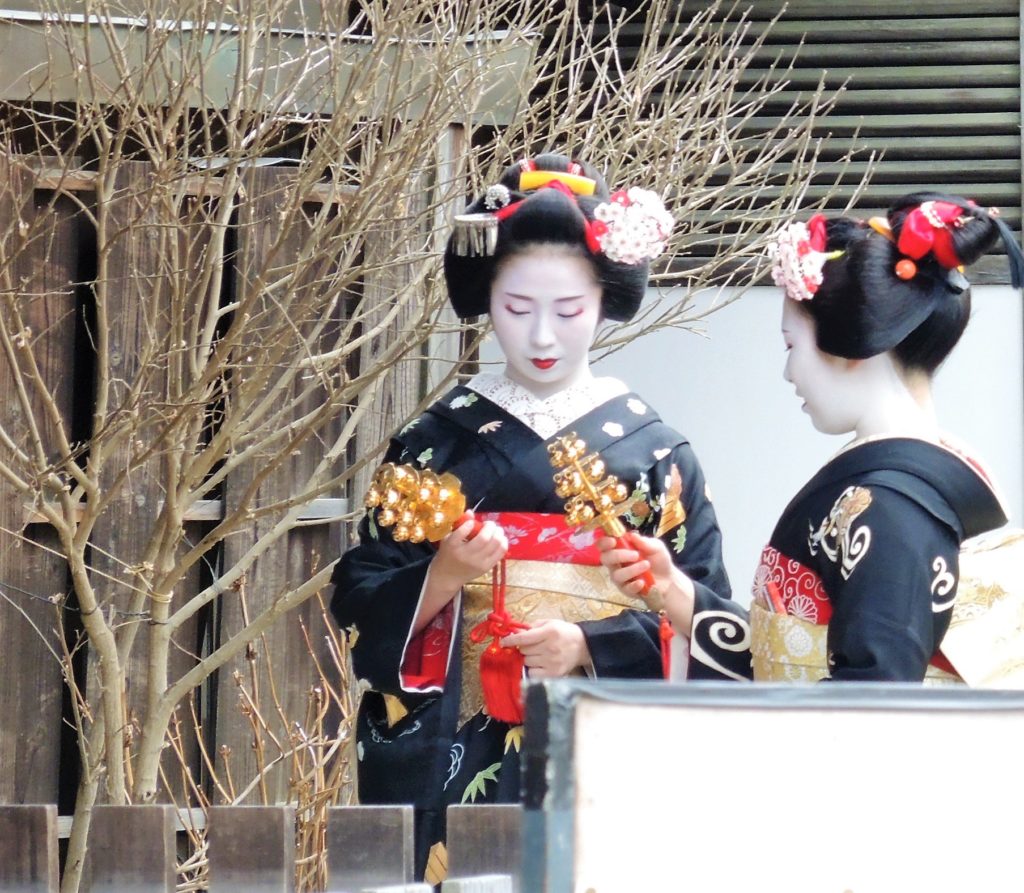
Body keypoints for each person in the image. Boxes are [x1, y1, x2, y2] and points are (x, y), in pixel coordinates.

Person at [330, 153, 732, 880]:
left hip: (602, 745)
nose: (543, 337)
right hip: (458, 743)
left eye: (568, 310)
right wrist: (446, 574)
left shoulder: (655, 453)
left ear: (605, 301)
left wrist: (591, 642)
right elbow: (361, 597)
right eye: (517, 310)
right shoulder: (434, 441)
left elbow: (708, 618)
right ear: (487, 300)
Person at [599, 192, 1018, 683]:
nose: (788, 372)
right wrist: (671, 589)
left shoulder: (889, 505)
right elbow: (787, 653)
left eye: (791, 344)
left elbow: (873, 700)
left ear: (851, 347)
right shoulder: (911, 479)